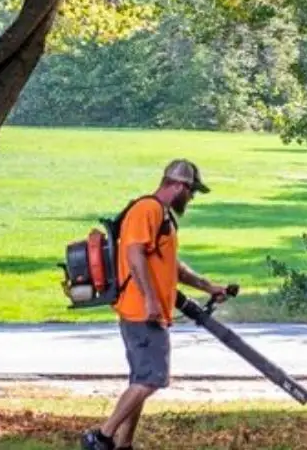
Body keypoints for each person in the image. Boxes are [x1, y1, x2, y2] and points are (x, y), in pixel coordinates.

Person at [82, 159, 230, 450]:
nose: (191, 198)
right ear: (178, 186)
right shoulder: (147, 209)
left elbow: (171, 266)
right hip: (141, 311)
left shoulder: (161, 215)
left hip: (148, 311)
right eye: (191, 191)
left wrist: (207, 286)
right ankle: (101, 437)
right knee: (152, 379)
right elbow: (134, 254)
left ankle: (124, 444)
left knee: (141, 379)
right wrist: (150, 299)